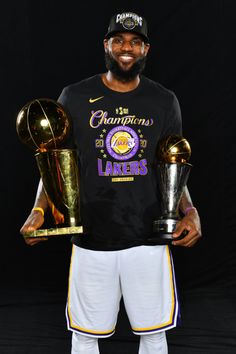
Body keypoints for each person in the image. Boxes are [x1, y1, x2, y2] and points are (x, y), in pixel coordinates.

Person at [20, 11, 202, 354]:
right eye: (118, 40)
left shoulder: (164, 101)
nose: (126, 48)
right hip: (91, 237)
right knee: (86, 335)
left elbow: (172, 168)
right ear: (106, 45)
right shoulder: (74, 96)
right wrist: (38, 210)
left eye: (135, 41)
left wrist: (190, 210)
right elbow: (54, 163)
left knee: (153, 333)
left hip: (148, 237)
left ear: (146, 49)